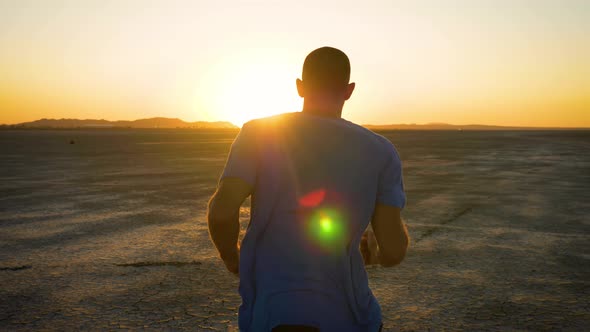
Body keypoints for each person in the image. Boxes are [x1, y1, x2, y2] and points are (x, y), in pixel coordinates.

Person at [208, 46, 409, 332]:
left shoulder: (258, 133)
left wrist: (231, 257)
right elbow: (394, 249)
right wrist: (374, 255)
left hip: (272, 316)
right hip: (349, 318)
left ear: (300, 87)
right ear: (349, 90)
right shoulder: (380, 151)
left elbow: (221, 212)